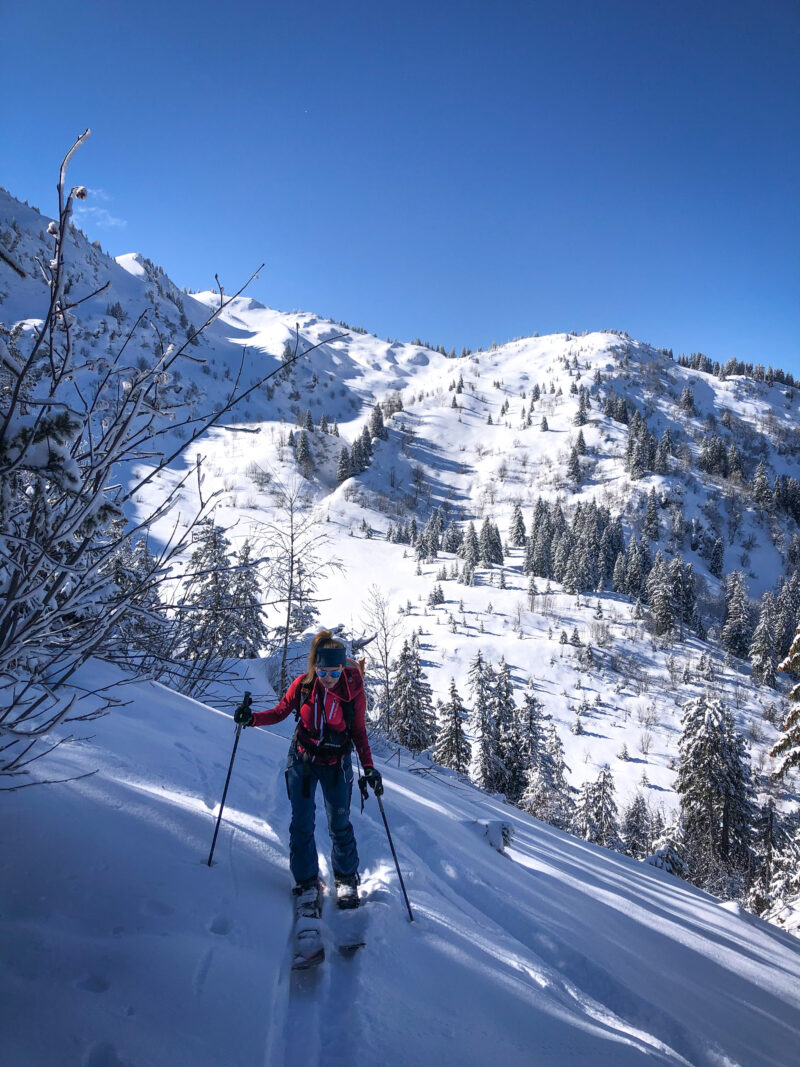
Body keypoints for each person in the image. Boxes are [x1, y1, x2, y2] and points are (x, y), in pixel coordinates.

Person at [234, 629, 382, 910]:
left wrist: (369, 768)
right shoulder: (303, 686)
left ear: (342, 668)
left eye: (334, 672)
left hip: (336, 764)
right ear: (314, 667)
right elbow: (279, 712)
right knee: (301, 823)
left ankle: (346, 878)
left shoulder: (353, 693)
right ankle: (306, 881)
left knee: (339, 824)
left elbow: (359, 733)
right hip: (303, 760)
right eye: (322, 671)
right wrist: (251, 719)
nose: (328, 678)